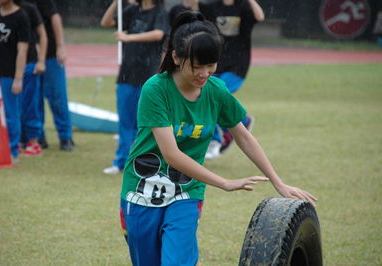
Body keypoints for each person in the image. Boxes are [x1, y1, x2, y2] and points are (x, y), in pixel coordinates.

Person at [119, 11, 317, 265]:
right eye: (197, 65)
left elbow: (244, 137)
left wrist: (279, 182)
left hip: (186, 192)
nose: (205, 73)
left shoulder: (216, 91)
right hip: (140, 191)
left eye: (211, 65)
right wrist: (224, 182)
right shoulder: (156, 89)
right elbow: (171, 154)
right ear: (176, 57)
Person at [100, 0, 169, 175]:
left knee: (145, 124)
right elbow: (106, 23)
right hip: (126, 75)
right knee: (125, 122)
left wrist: (128, 37)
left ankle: (145, 162)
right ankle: (120, 161)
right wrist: (116, 3)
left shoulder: (159, 12)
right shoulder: (131, 10)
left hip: (148, 77)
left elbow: (158, 34)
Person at [199, 0, 264, 159]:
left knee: (212, 96)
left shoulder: (243, 6)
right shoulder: (213, 7)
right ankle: (241, 122)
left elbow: (260, 17)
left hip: (237, 65)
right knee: (205, 96)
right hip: (216, 63)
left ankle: (219, 138)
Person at [0, 0, 30, 162]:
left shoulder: (21, 16)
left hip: (8, 72)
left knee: (10, 112)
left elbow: (22, 50)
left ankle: (12, 149)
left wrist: (18, 78)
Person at [24, 0, 74, 151]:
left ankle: (65, 137)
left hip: (51, 54)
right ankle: (39, 137)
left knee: (57, 97)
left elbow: (55, 18)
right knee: (34, 99)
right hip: (31, 57)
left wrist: (61, 47)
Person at [20, 1, 47, 156]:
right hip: (6, 66)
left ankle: (33, 142)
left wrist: (41, 60)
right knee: (13, 107)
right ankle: (16, 140)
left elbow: (42, 34)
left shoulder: (29, 8)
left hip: (29, 63)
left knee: (30, 104)